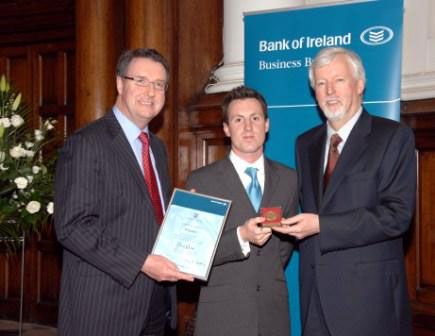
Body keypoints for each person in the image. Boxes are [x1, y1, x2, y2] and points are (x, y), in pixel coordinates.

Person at [273, 47, 416, 336]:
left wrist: (321, 226)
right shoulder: (305, 144)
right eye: (321, 84)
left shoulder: (392, 136)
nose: (329, 91)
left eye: (338, 80)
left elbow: (397, 215)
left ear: (359, 84)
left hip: (369, 304)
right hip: (315, 303)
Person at [54, 48, 193, 336]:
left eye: (159, 84)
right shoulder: (87, 143)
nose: (150, 91)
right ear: (120, 84)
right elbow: (72, 226)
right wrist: (142, 263)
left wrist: (184, 216)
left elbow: (146, 215)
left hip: (155, 303)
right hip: (105, 307)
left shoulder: (156, 147)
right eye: (140, 80)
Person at [185, 85, 298, 336]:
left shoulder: (290, 179)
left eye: (255, 118)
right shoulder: (201, 181)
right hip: (222, 316)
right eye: (238, 119)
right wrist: (240, 238)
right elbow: (192, 255)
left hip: (273, 315)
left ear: (266, 124)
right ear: (226, 129)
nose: (248, 127)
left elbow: (282, 250)